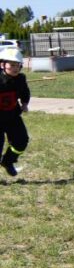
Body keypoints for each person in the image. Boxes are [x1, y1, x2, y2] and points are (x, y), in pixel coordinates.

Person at [0, 48, 30, 178]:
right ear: (2, 65)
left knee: (21, 140)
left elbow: (25, 92)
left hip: (12, 116)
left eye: (18, 65)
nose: (15, 68)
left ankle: (8, 161)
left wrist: (24, 103)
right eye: (11, 65)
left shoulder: (20, 79)